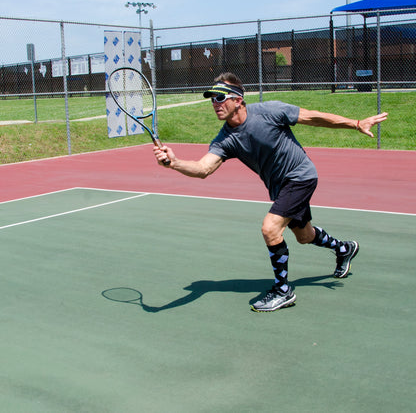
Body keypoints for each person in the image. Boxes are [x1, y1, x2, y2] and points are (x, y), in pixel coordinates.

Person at [153, 73, 388, 312]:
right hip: (280, 188)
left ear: (238, 100)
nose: (215, 103)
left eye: (220, 97)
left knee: (270, 228)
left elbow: (314, 118)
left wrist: (356, 124)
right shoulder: (226, 139)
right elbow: (204, 168)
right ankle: (344, 248)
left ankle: (283, 291)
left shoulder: (270, 111)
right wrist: (174, 163)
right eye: (211, 99)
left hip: (301, 176)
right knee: (304, 236)